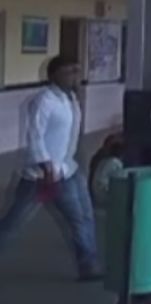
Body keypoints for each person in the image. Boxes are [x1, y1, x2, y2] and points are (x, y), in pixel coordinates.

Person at [0, 55, 102, 281]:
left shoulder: (71, 99)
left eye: (77, 71)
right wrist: (46, 165)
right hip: (43, 175)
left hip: (69, 169)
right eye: (69, 72)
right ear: (54, 75)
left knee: (84, 217)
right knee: (13, 222)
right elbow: (34, 135)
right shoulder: (44, 100)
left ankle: (89, 266)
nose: (75, 76)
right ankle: (88, 264)